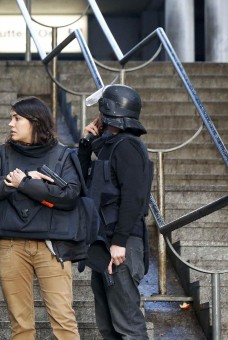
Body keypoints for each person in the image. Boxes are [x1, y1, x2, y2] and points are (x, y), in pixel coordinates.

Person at [0, 96, 81, 340]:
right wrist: (19, 181)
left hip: (51, 247)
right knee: (21, 324)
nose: (11, 124)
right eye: (11, 117)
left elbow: (70, 195)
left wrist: (26, 184)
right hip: (10, 246)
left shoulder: (62, 156)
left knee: (63, 320)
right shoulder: (2, 154)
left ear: (35, 122)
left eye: (17, 118)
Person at [78, 84, 153, 339]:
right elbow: (81, 183)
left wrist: (119, 241)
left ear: (106, 111)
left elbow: (134, 197)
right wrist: (86, 145)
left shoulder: (128, 146)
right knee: (108, 325)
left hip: (120, 244)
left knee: (128, 326)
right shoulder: (108, 146)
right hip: (104, 243)